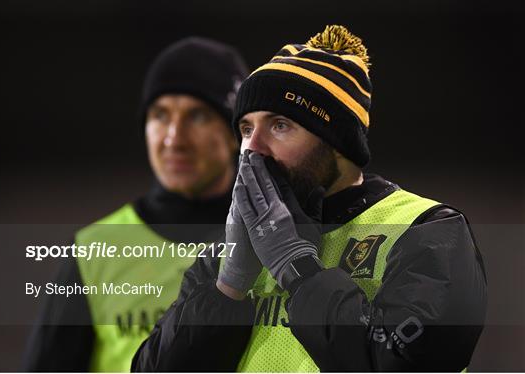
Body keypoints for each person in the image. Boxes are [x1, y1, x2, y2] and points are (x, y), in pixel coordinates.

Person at [132, 25, 488, 372]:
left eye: (280, 125)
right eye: (246, 129)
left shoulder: (427, 231)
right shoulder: (225, 252)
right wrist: (227, 288)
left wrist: (299, 270)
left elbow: (408, 363)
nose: (252, 149)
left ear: (336, 142)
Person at [23, 37, 249, 372]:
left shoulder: (268, 244)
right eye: (160, 115)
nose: (174, 138)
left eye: (198, 116)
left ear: (237, 133)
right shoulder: (94, 252)